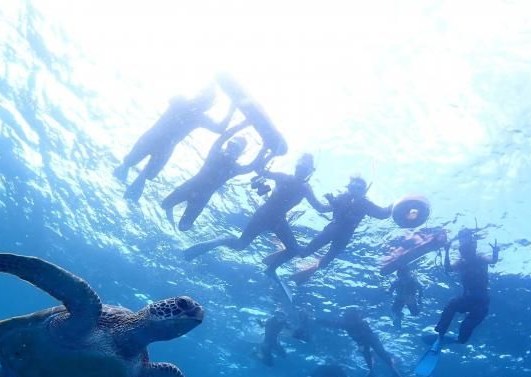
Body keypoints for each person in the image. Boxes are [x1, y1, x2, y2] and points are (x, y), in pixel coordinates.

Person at [182, 154, 328, 264]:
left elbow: (321, 208)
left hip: (271, 217)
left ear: (309, 171)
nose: (301, 171)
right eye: (300, 167)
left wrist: (335, 205)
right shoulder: (295, 183)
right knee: (243, 245)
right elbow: (320, 208)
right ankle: (221, 241)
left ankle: (270, 268)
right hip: (271, 218)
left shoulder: (296, 183)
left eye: (304, 169)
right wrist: (266, 157)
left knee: (244, 245)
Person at [113, 87, 235, 202]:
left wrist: (231, 106)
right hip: (159, 144)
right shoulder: (191, 110)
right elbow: (220, 128)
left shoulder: (187, 106)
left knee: (136, 170)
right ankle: (124, 181)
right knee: (132, 167)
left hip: (155, 142)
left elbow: (220, 129)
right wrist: (232, 107)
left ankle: (125, 185)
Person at [264, 176, 394, 283]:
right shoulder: (343, 198)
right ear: (349, 187)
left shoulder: (366, 204)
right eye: (354, 187)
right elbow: (326, 208)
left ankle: (304, 272)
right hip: (332, 230)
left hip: (344, 237)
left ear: (364, 191)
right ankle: (278, 258)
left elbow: (383, 214)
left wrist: (396, 205)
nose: (356, 191)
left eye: (359, 188)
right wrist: (328, 199)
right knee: (304, 252)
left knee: (326, 261)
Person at [162, 120, 272, 231]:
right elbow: (224, 136)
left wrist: (266, 150)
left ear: (239, 154)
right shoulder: (216, 154)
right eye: (231, 145)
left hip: (201, 198)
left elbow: (252, 166)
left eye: (236, 149)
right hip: (190, 188)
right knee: (164, 205)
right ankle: (171, 207)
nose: (231, 150)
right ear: (227, 146)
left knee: (183, 227)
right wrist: (242, 125)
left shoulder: (234, 168)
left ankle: (173, 208)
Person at [435, 229, 499, 343]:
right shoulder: (462, 262)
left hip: (481, 302)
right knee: (454, 306)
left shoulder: (479, 258)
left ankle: (451, 335)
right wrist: (446, 251)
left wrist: (495, 252)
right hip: (472, 300)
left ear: (473, 248)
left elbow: (493, 260)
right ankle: (442, 332)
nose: (464, 252)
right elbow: (448, 268)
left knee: (465, 323)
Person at [319, 306, 405, 377]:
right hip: (372, 340)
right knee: (383, 356)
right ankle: (392, 371)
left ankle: (373, 371)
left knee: (370, 359)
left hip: (363, 343)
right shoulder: (360, 321)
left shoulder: (347, 324)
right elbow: (336, 324)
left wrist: (320, 321)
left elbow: (333, 324)